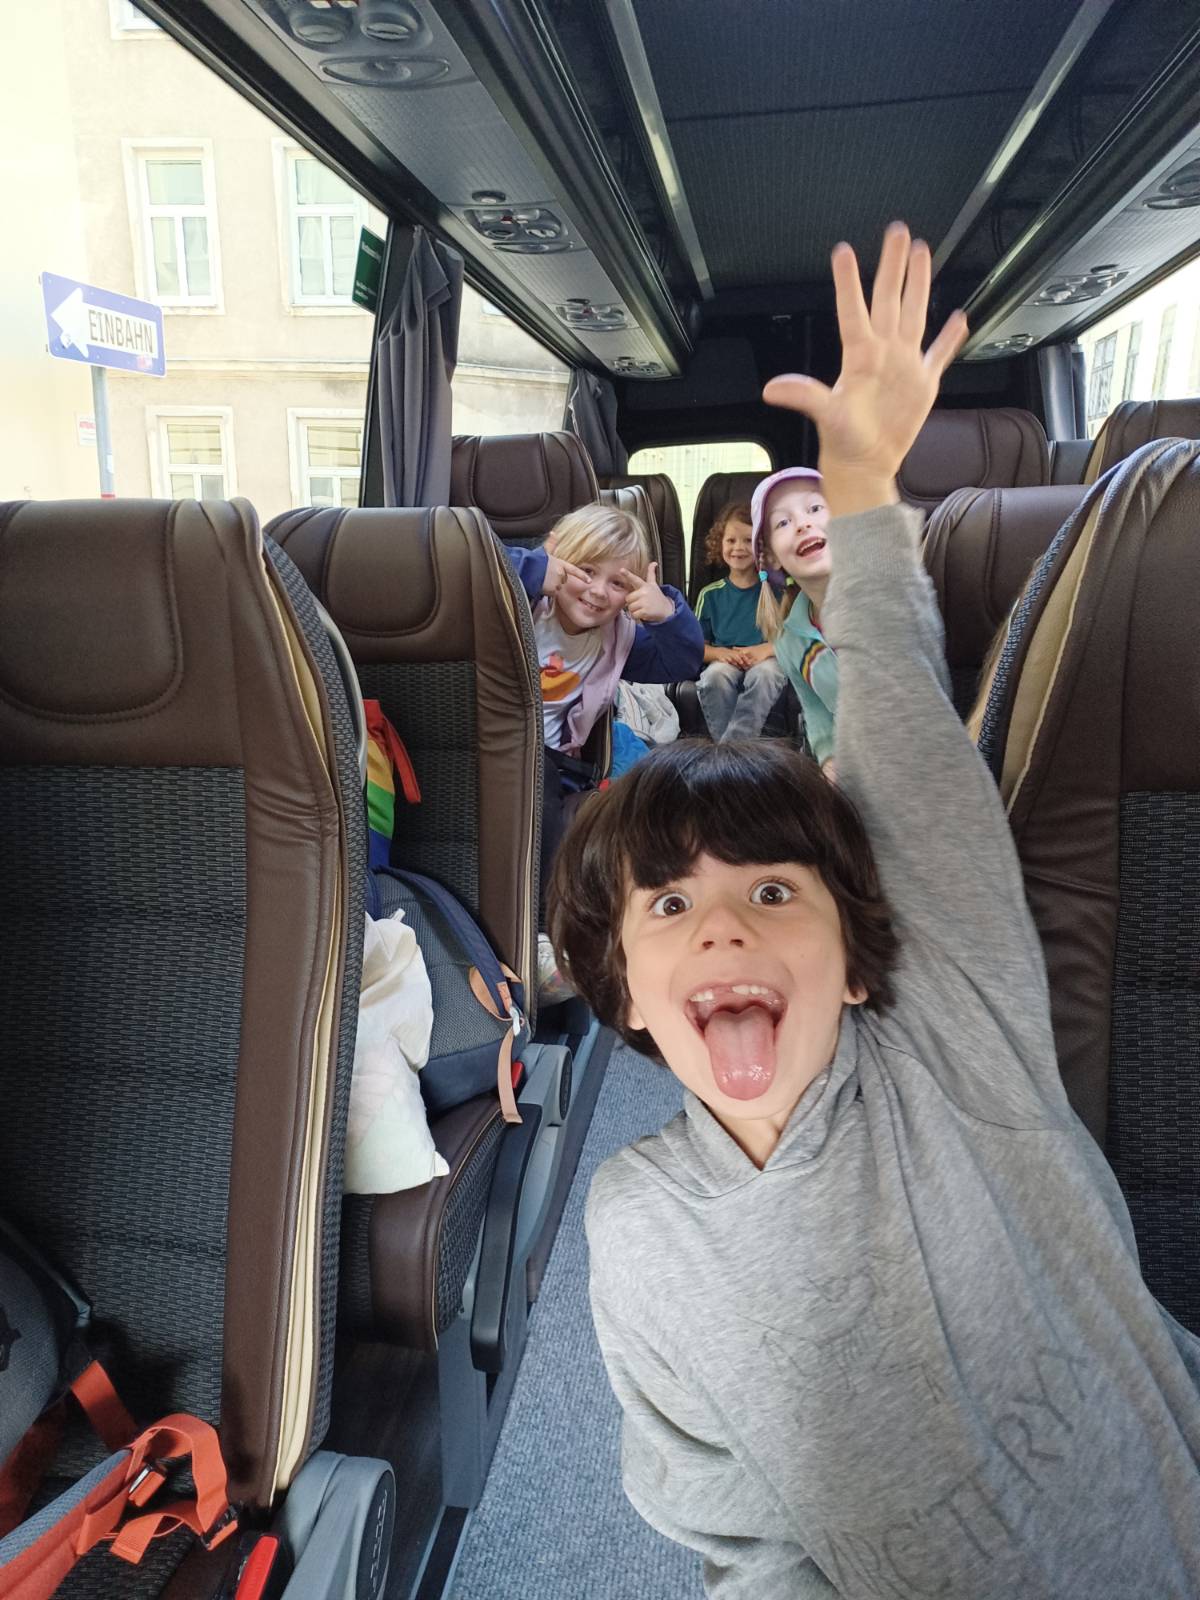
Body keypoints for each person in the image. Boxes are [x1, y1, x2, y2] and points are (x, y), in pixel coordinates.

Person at [547, 223, 1200, 1597]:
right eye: (669, 904)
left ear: (857, 960)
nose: (721, 927)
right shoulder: (639, 1226)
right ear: (626, 996)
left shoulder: (960, 1043)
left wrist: (857, 495)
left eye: (773, 890)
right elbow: (742, 1542)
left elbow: (908, 752)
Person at [504, 502, 702, 915]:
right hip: (494, 744)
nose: (597, 591)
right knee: (538, 777)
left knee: (559, 786)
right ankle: (542, 919)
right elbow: (474, 569)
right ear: (555, 553)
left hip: (557, 761)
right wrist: (537, 569)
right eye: (586, 571)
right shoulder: (519, 602)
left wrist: (666, 615)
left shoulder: (619, 637)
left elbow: (682, 663)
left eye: (617, 583)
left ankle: (562, 915)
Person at [752, 468, 839, 772]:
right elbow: (819, 719)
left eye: (815, 508)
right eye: (783, 522)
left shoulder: (886, 597)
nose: (803, 524)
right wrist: (830, 766)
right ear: (772, 557)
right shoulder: (790, 642)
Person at [693, 502, 787, 739]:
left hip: (766, 659)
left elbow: (793, 640)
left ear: (760, 547)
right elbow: (697, 647)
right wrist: (720, 654)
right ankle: (739, 750)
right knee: (715, 677)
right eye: (731, 540)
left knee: (765, 675)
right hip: (725, 659)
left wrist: (765, 650)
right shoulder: (710, 595)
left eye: (748, 541)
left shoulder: (778, 593)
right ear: (720, 544)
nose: (738, 548)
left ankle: (731, 751)